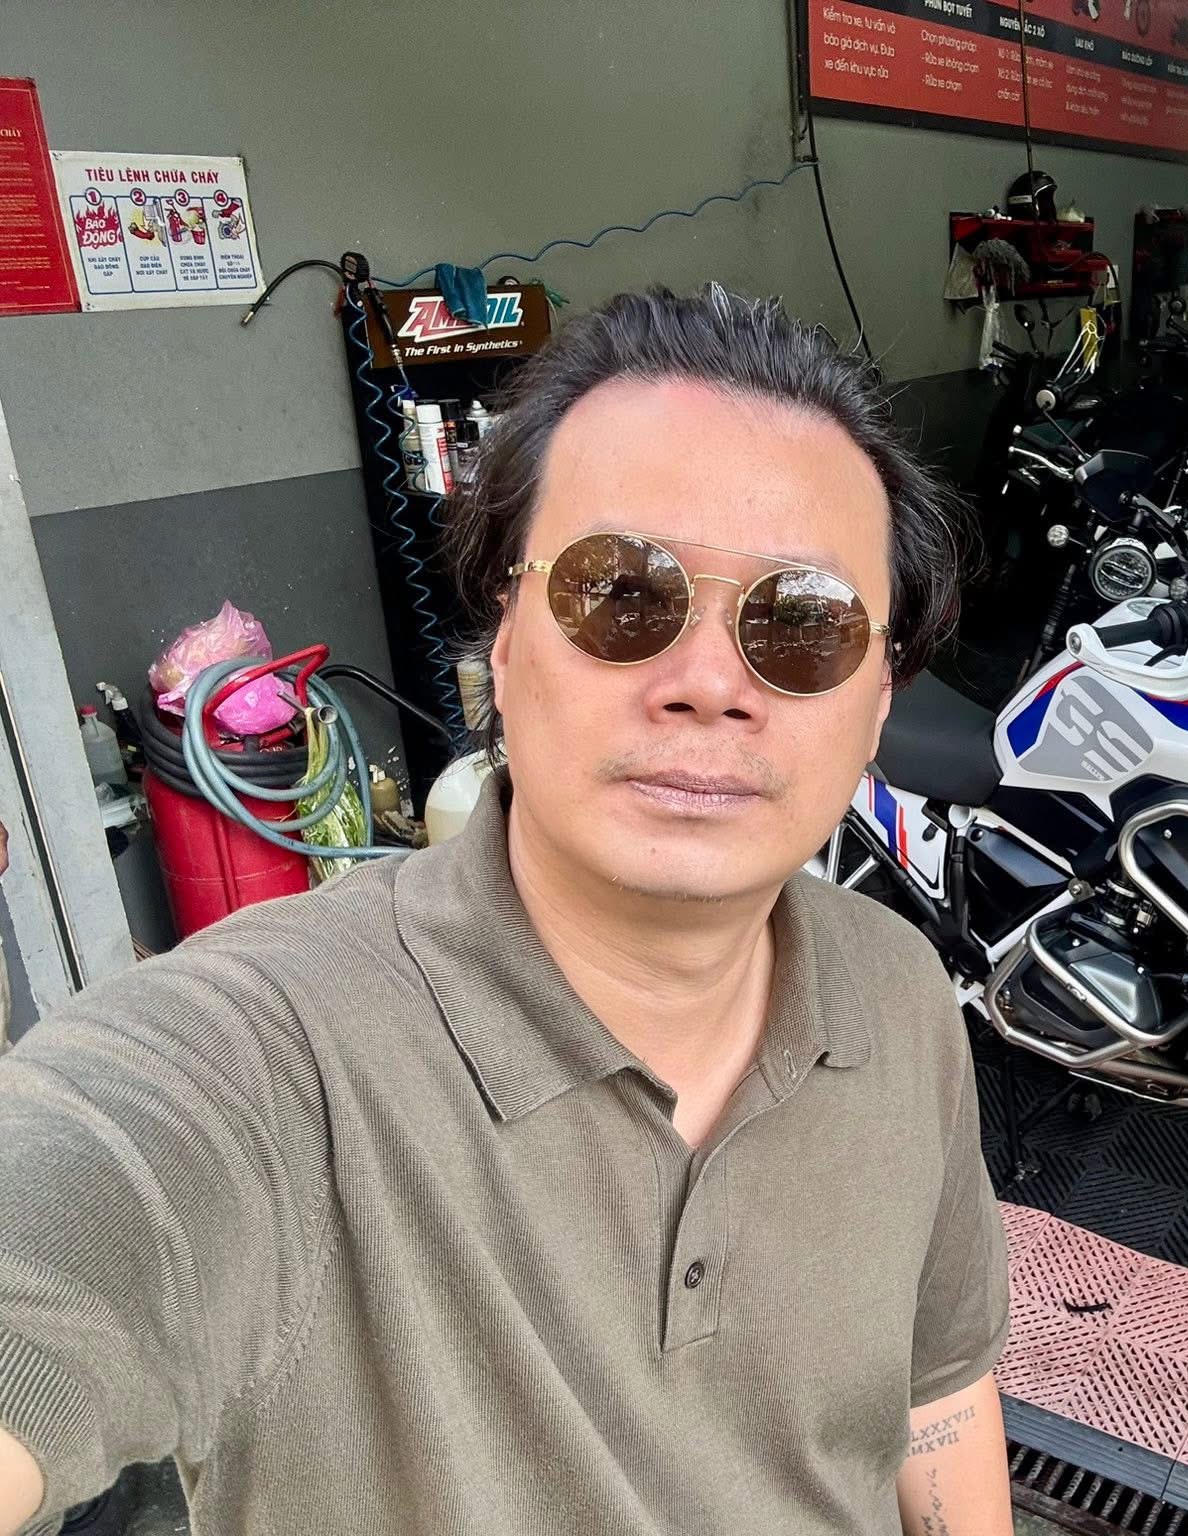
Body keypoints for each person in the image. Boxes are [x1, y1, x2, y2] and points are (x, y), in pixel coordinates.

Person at [0, 286, 1012, 1535]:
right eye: (621, 592)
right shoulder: (266, 1061)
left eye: (801, 621)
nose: (709, 683)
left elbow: (934, 1393)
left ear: (875, 704)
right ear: (509, 640)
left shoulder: (899, 992)